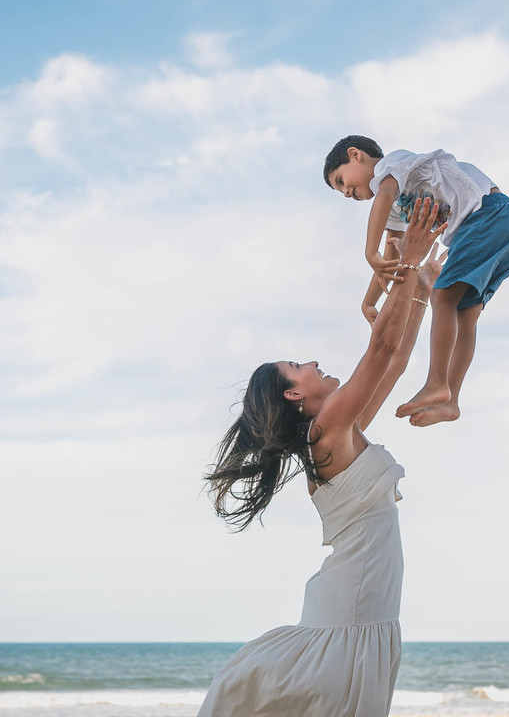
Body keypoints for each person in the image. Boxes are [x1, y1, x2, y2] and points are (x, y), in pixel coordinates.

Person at [198, 199, 446, 717]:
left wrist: (419, 289)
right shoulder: (328, 430)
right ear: (293, 394)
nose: (311, 361)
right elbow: (378, 350)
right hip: (350, 624)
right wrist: (407, 264)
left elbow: (395, 363)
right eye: (297, 364)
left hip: (356, 616)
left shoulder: (337, 433)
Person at [323, 135, 509, 427]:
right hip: (503, 228)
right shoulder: (395, 203)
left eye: (341, 181)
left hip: (487, 214)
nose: (345, 193)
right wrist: (369, 301)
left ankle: (436, 381)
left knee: (442, 297)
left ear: (355, 155)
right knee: (463, 314)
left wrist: (368, 252)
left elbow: (382, 201)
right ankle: (450, 399)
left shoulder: (393, 165)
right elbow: (392, 253)